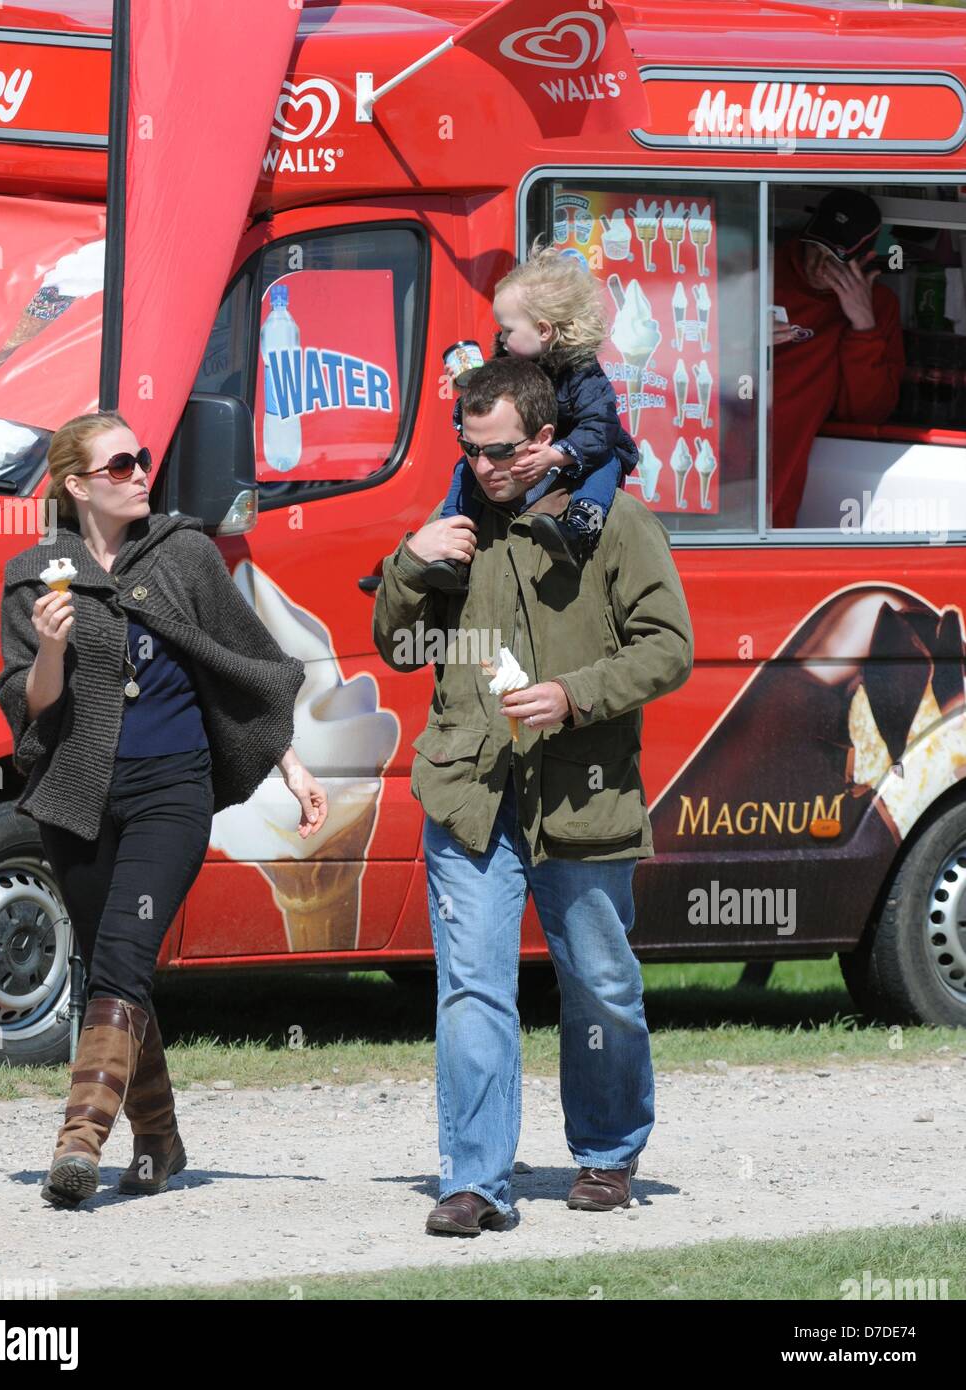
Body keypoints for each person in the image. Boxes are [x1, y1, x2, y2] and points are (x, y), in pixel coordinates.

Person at [373, 357, 693, 1235]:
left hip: (582, 799)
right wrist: (407, 563)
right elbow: (399, 647)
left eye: (503, 451)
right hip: (470, 793)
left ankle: (607, 1153)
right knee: (473, 986)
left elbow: (669, 647)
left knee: (599, 986)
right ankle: (473, 1181)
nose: (484, 468)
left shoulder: (615, 521)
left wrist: (572, 694)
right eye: (470, 451)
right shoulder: (454, 527)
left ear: (548, 440)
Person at [0, 410, 328, 1209]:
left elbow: (247, 666)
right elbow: (27, 709)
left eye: (141, 460)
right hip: (77, 795)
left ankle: (78, 1141)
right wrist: (48, 647)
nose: (140, 472)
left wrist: (291, 762)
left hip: (170, 790)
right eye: (118, 466)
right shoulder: (35, 573)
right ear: (77, 486)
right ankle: (160, 1135)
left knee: (122, 959)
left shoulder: (184, 553)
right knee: (117, 972)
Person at [424, 240, 637, 590]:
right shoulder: (509, 363)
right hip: (527, 457)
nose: (501, 338)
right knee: (468, 465)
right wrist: (470, 389)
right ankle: (453, 545)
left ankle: (581, 526)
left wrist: (560, 454)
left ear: (543, 330)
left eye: (508, 330)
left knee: (608, 462)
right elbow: (484, 420)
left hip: (580, 454)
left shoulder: (582, 372)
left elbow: (602, 426)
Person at [771, 189, 905, 527]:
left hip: (784, 491)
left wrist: (863, 327)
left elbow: (867, 412)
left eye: (834, 257)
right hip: (721, 465)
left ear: (863, 259)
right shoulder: (761, 271)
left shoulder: (878, 305)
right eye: (814, 247)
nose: (818, 264)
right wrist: (742, 342)